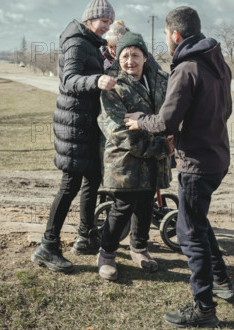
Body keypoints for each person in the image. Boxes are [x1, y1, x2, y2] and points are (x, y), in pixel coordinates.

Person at [124, 6, 234, 328]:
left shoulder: (187, 68)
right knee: (197, 221)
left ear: (175, 35)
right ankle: (223, 281)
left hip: (197, 166)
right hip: (217, 159)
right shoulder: (218, 63)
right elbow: (225, 110)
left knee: (189, 235)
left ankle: (203, 309)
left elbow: (165, 121)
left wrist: (138, 120)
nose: (166, 42)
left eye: (165, 37)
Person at [31, 0, 117, 273]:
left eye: (110, 22)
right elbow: (69, 79)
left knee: (92, 178)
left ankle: (86, 235)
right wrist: (97, 80)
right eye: (104, 21)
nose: (107, 26)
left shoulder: (91, 43)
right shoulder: (77, 42)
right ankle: (47, 246)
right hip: (73, 125)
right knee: (70, 184)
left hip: (86, 124)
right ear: (90, 18)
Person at [96, 32, 172, 281]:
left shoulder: (162, 80)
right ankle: (106, 253)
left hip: (153, 162)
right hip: (124, 160)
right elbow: (118, 131)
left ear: (145, 56)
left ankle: (139, 248)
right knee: (123, 206)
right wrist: (162, 147)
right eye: (125, 56)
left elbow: (171, 116)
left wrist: (172, 139)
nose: (130, 61)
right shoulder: (113, 86)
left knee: (145, 205)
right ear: (118, 58)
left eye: (135, 55)